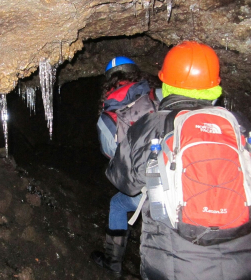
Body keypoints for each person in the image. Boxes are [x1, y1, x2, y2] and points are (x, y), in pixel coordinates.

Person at [105, 41, 251, 279]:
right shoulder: (238, 124)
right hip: (241, 261)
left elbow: (123, 181)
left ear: (167, 82)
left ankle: (113, 262)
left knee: (120, 203)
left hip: (175, 264)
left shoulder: (151, 125)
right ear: (214, 85)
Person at [91, 56, 161, 275]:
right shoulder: (158, 95)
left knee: (119, 204)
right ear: (136, 74)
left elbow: (110, 153)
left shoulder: (106, 118)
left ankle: (113, 263)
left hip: (146, 190)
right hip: (179, 178)